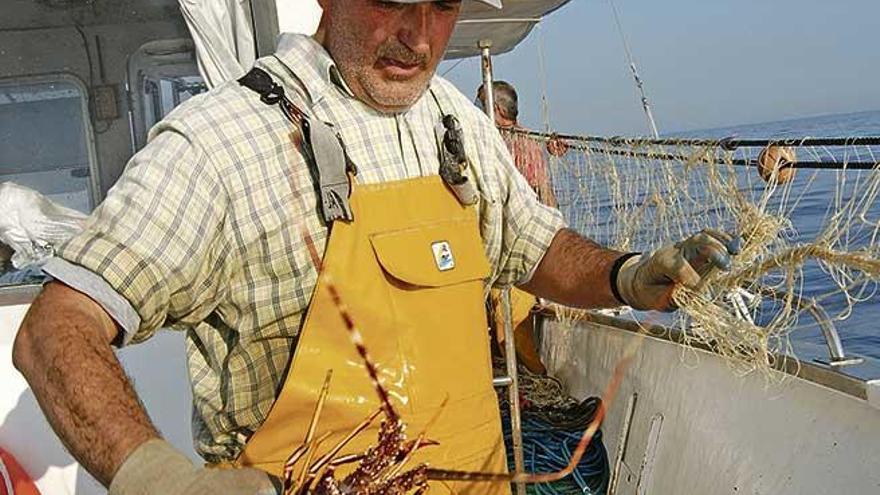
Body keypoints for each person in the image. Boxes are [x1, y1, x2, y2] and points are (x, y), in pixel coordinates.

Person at [11, 1, 738, 494]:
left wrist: (627, 275)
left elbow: (535, 246)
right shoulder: (218, 145)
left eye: (443, 4)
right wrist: (154, 475)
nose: (419, 38)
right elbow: (55, 328)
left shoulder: (451, 118)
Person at [477, 80, 557, 207]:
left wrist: (556, 223)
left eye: (481, 105)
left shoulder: (523, 143)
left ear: (496, 109)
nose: (477, 110)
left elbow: (543, 190)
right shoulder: (490, 137)